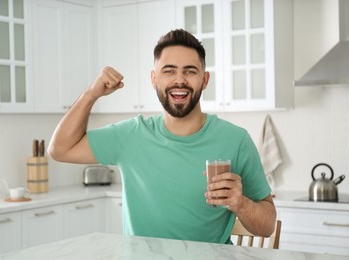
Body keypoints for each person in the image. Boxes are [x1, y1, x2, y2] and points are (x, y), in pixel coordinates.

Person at [48, 29, 276, 244]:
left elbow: (267, 227)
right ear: (153, 79)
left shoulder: (235, 140)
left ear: (204, 80)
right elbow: (60, 149)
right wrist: (91, 94)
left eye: (190, 71)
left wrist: (241, 204)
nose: (179, 80)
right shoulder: (130, 136)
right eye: (169, 71)